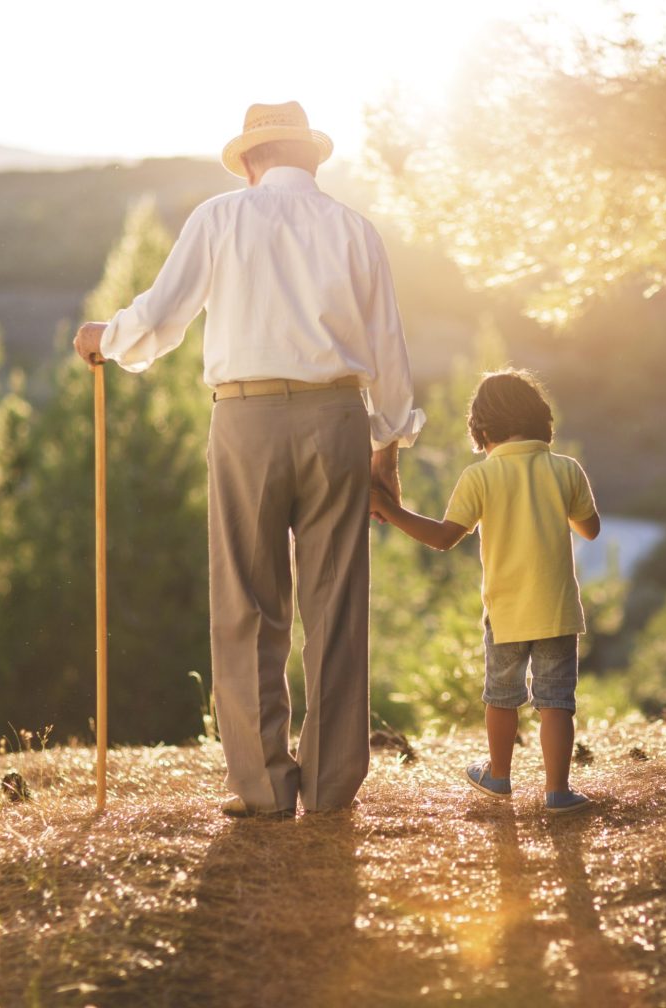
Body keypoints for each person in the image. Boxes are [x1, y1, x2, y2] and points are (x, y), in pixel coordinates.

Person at [72, 101, 424, 819]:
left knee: (247, 603)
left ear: (252, 161)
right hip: (338, 420)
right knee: (336, 605)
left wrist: (105, 337)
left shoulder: (220, 217)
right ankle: (329, 790)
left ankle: (264, 787)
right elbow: (389, 351)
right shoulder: (357, 230)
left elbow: (163, 319)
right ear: (311, 158)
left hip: (246, 418)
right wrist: (386, 452)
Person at [370, 369, 600, 814]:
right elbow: (589, 530)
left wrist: (389, 509)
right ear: (541, 422)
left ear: (482, 430)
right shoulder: (566, 469)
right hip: (556, 611)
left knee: (501, 697)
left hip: (507, 611)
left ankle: (498, 776)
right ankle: (558, 792)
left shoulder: (480, 477)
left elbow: (442, 538)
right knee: (556, 702)